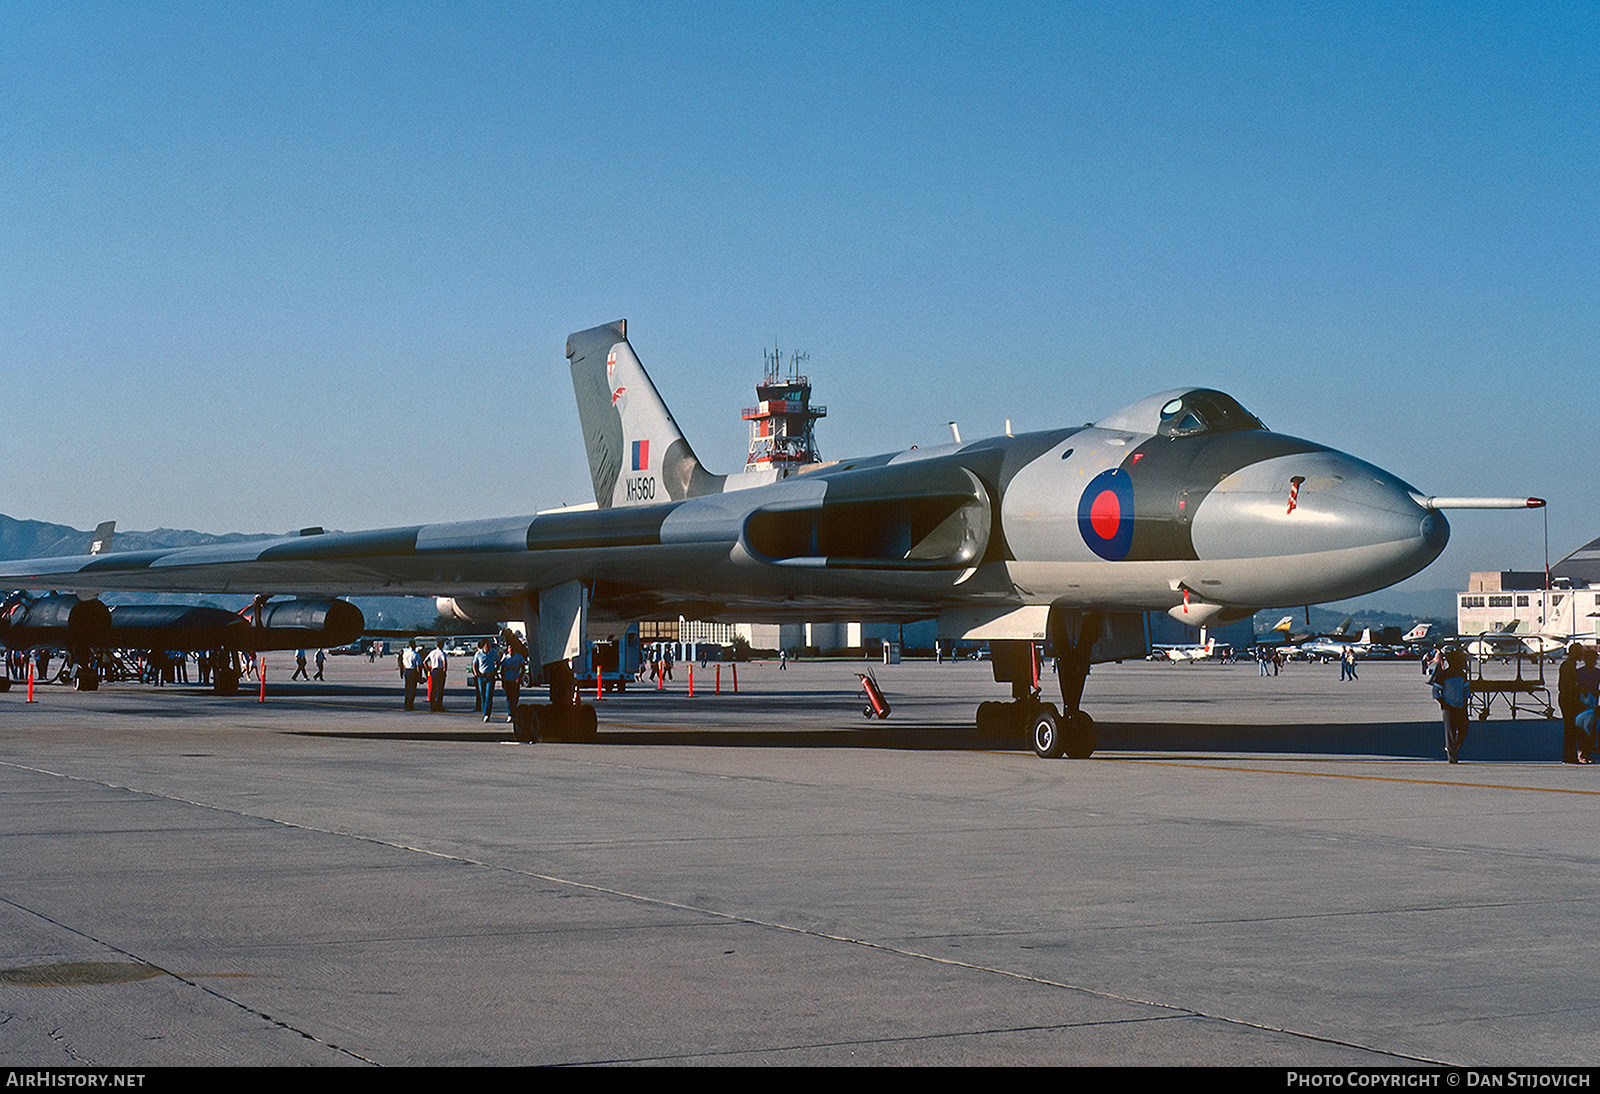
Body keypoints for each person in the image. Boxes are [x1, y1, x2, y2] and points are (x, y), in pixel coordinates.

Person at [1430, 648, 1471, 763]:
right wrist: (1443, 702)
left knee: (1464, 728)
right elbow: (1435, 691)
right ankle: (1452, 758)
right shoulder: (1444, 674)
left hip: (1460, 704)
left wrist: (1465, 700)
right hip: (1449, 706)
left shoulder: (1462, 674)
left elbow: (1465, 689)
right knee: (1450, 732)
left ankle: (1452, 749)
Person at [1573, 646, 1600, 765]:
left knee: (1590, 729)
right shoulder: (1580, 672)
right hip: (1581, 703)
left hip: (1592, 704)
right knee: (1582, 729)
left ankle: (1586, 752)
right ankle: (1581, 753)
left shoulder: (1593, 672)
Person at [499, 632, 527, 723]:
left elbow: (523, 667)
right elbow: (502, 669)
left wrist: (520, 677)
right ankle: (510, 714)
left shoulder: (518, 657)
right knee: (509, 697)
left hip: (515, 679)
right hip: (507, 680)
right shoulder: (505, 658)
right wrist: (502, 680)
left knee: (515, 697)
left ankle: (513, 712)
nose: (511, 649)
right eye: (509, 648)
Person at [473, 638, 499, 723]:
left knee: (488, 695)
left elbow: (498, 662)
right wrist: (476, 673)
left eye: (489, 645)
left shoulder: (493, 653)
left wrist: (495, 671)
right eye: (487, 645)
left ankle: (487, 714)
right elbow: (474, 664)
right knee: (483, 695)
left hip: (490, 676)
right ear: (483, 646)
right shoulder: (478, 654)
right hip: (481, 676)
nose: (488, 646)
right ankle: (485, 712)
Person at [426, 639, 448, 712]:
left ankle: (432, 706)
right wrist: (445, 670)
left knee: (433, 688)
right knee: (440, 688)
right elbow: (444, 661)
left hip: (433, 670)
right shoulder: (442, 653)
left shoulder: (432, 652)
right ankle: (439, 705)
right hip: (440, 670)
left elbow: (424, 662)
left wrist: (428, 670)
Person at [401, 640, 422, 711]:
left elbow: (403, 664)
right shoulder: (416, 654)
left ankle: (406, 705)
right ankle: (410, 705)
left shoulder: (405, 654)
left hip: (407, 671)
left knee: (407, 689)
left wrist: (403, 672)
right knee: (412, 689)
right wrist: (419, 676)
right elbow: (418, 666)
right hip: (413, 671)